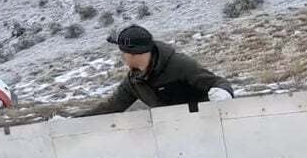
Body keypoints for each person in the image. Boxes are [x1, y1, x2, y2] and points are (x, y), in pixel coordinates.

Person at [78, 25, 234, 116]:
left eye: (123, 53)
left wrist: (223, 91)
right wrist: (72, 121)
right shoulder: (134, 81)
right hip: (170, 136)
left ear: (131, 54)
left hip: (204, 127)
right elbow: (111, 107)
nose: (123, 57)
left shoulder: (179, 65)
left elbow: (218, 82)